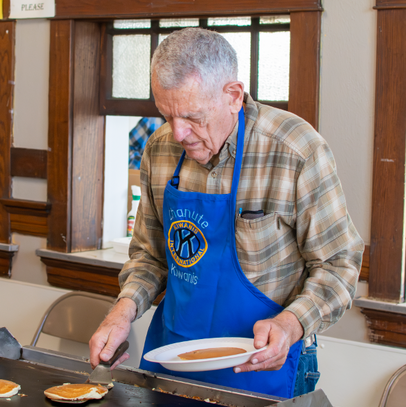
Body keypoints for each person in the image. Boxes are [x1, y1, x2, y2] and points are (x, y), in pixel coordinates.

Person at [89, 28, 364, 399]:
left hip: (263, 363)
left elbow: (339, 264)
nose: (178, 132)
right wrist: (122, 311)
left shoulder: (295, 150)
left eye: (192, 117)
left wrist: (291, 323)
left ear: (233, 96)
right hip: (174, 357)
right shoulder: (159, 150)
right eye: (166, 115)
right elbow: (150, 256)